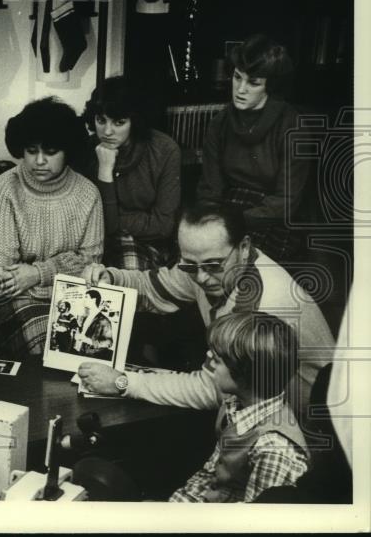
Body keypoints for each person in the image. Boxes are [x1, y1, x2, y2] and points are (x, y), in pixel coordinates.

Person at [76, 202, 334, 414]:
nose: (200, 278)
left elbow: (212, 391)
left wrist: (122, 382)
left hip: (302, 428)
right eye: (189, 265)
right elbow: (156, 287)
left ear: (244, 248)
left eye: (213, 265)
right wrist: (113, 279)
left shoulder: (257, 307)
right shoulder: (210, 264)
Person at [0, 97, 103, 356]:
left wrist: (38, 273)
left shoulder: (88, 193)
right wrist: (65, 270)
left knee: (96, 348)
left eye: (50, 151)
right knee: (49, 347)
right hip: (17, 299)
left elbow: (91, 263)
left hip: (73, 295)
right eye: (32, 150)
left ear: (68, 150)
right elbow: (0, 278)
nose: (39, 161)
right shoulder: (4, 190)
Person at [169, 311, 309, 503]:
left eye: (217, 360)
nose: (209, 361)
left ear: (244, 373)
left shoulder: (274, 449)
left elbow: (254, 522)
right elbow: (209, 474)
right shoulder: (235, 404)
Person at [198, 35, 308, 261]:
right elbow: (210, 189)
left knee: (239, 269)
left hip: (273, 220)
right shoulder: (219, 123)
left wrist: (232, 223)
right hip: (226, 213)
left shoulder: (293, 127)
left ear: (271, 86)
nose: (240, 88)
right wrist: (210, 223)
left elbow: (285, 202)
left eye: (253, 83)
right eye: (237, 77)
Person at [81, 76, 181, 269]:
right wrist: (104, 170)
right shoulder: (86, 150)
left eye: (119, 122)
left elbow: (163, 225)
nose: (107, 131)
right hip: (97, 240)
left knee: (129, 271)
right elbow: (91, 224)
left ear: (134, 121)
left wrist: (113, 219)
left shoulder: (165, 150)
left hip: (148, 241)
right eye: (101, 120)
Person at [72, 289, 114, 360]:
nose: (84, 300)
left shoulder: (104, 321)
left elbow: (108, 343)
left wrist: (88, 340)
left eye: (86, 297)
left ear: (94, 300)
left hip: (92, 357)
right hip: (80, 353)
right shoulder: (86, 317)